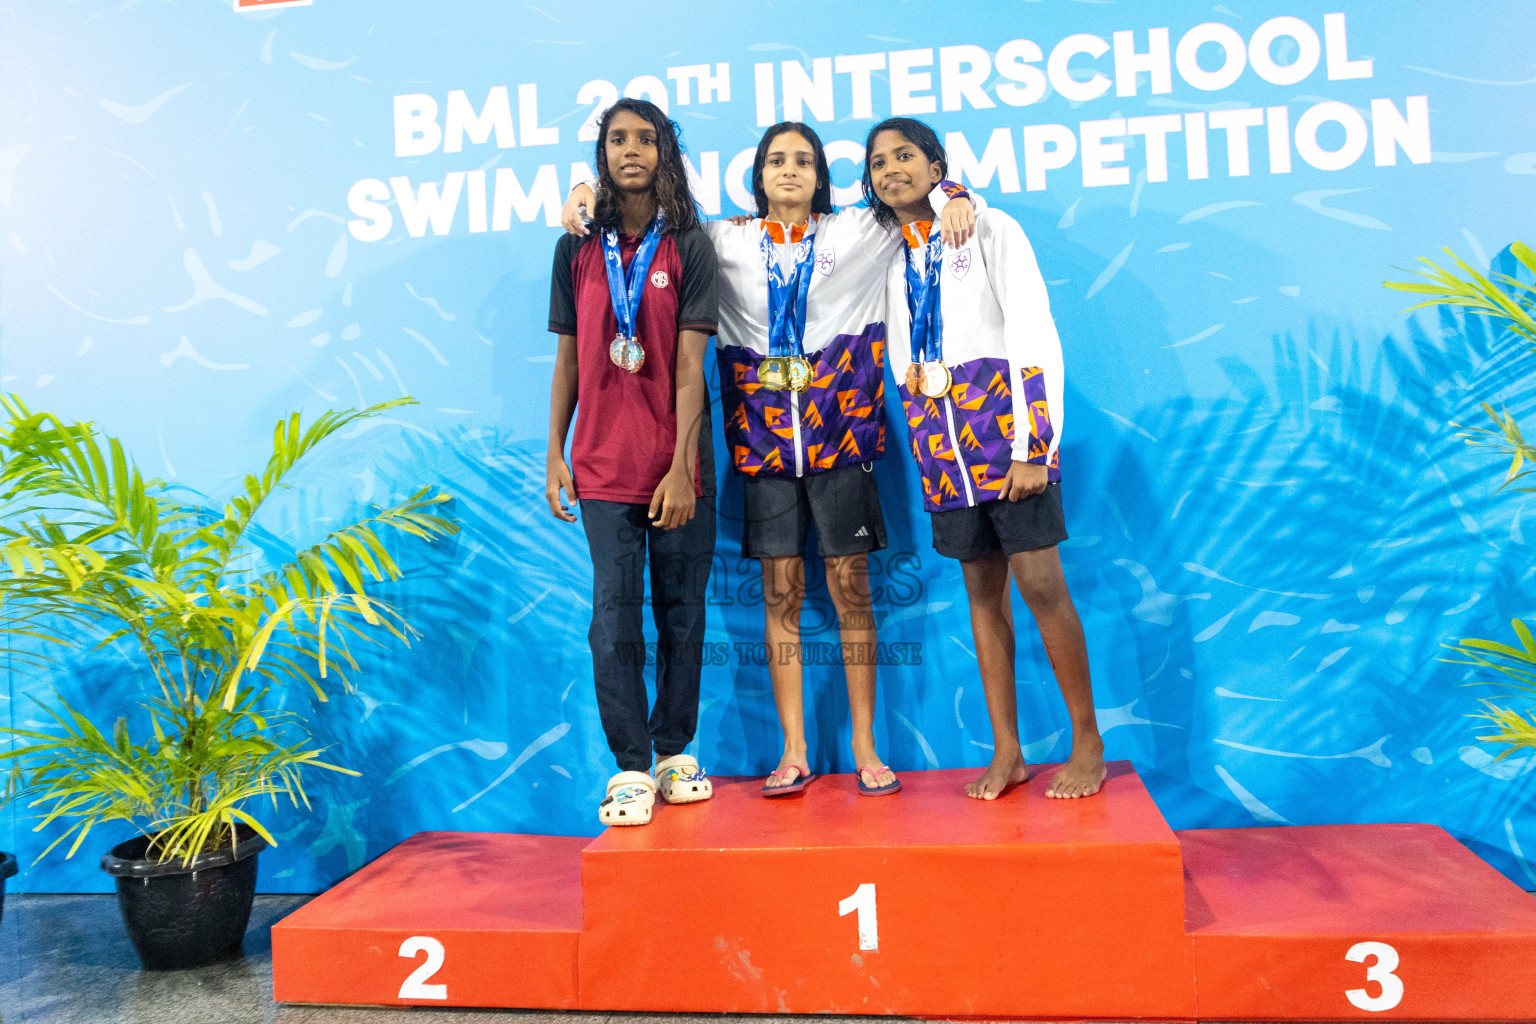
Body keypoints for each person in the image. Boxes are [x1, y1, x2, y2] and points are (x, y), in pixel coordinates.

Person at [563, 122, 976, 798]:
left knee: (850, 591)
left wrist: (956, 191)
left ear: (823, 175)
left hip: (845, 444)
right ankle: (794, 752)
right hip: (764, 452)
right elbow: (642, 205)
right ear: (758, 174)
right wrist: (582, 187)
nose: (790, 170)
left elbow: (915, 196)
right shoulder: (725, 240)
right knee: (781, 594)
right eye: (777, 160)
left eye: (804, 160)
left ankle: (868, 748)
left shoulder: (857, 232)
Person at [866, 117, 1107, 800]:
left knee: (1040, 587)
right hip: (945, 453)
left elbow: (1033, 329)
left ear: (937, 163)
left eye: (905, 155)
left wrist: (1036, 445)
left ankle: (1087, 739)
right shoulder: (889, 258)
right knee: (982, 595)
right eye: (879, 162)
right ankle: (1009, 749)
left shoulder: (990, 229)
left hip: (1007, 442)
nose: (891, 170)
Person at [546, 98, 719, 826]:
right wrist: (554, 450)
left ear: (665, 152)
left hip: (678, 468)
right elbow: (568, 358)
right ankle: (630, 767)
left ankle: (676, 750)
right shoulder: (575, 248)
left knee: (682, 613)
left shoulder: (690, 244)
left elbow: (689, 367)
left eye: (645, 139)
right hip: (600, 467)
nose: (630, 150)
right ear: (602, 154)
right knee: (613, 616)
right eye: (617, 139)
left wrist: (680, 467)